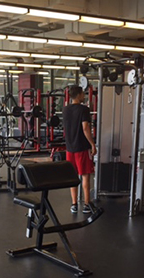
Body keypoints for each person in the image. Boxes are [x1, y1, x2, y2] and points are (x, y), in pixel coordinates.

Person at [63, 85, 97, 214]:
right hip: (82, 148)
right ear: (78, 95)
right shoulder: (84, 109)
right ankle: (87, 204)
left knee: (73, 177)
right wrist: (92, 144)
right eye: (83, 94)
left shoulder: (65, 109)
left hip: (69, 148)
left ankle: (74, 204)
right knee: (85, 176)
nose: (84, 96)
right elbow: (85, 128)